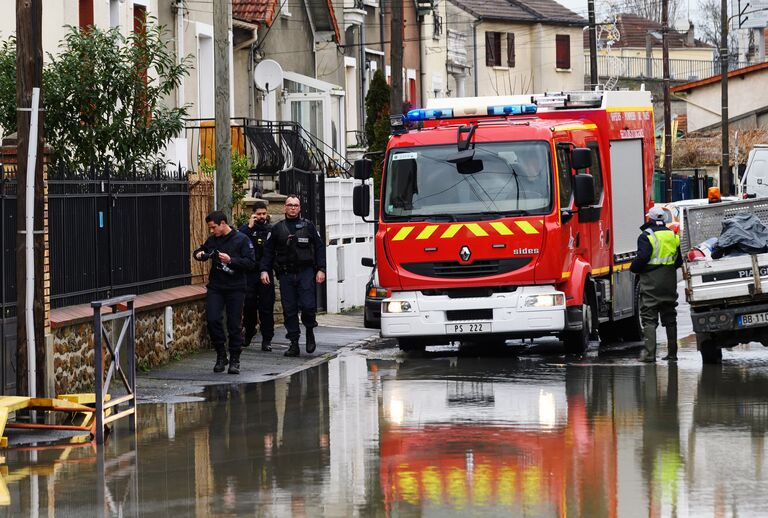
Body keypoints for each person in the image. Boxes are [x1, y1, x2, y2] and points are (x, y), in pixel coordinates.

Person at [260, 196, 326, 357]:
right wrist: (264, 270)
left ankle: (309, 329)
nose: (293, 208)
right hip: (286, 274)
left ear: (300, 208)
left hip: (305, 272)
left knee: (308, 306)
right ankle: (294, 343)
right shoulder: (277, 229)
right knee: (289, 310)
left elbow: (319, 248)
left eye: (296, 205)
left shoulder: (308, 226)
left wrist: (321, 269)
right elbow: (267, 252)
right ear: (284, 208)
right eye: (290, 205)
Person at [194, 210, 255, 374]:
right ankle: (221, 354)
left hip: (236, 287)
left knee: (234, 324)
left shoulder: (241, 239)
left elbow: (250, 263)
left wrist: (231, 260)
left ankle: (235, 358)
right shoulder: (213, 240)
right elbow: (200, 251)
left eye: (214, 227)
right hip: (216, 286)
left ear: (223, 223)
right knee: (213, 319)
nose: (212, 231)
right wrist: (200, 254)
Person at [630, 206, 683, 363]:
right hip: (668, 282)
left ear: (650, 219)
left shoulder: (646, 236)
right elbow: (678, 261)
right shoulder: (672, 235)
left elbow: (643, 257)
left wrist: (634, 268)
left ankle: (649, 355)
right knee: (670, 317)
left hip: (651, 282)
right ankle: (672, 354)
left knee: (649, 317)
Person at [238, 202, 275, 352]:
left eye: (263, 214)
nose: (261, 217)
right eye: (258, 214)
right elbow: (238, 240)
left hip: (265, 273)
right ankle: (249, 331)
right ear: (253, 214)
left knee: (266, 307)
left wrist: (266, 269)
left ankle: (267, 339)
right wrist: (249, 226)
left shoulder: (271, 230)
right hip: (250, 274)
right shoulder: (246, 230)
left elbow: (272, 251)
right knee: (249, 306)